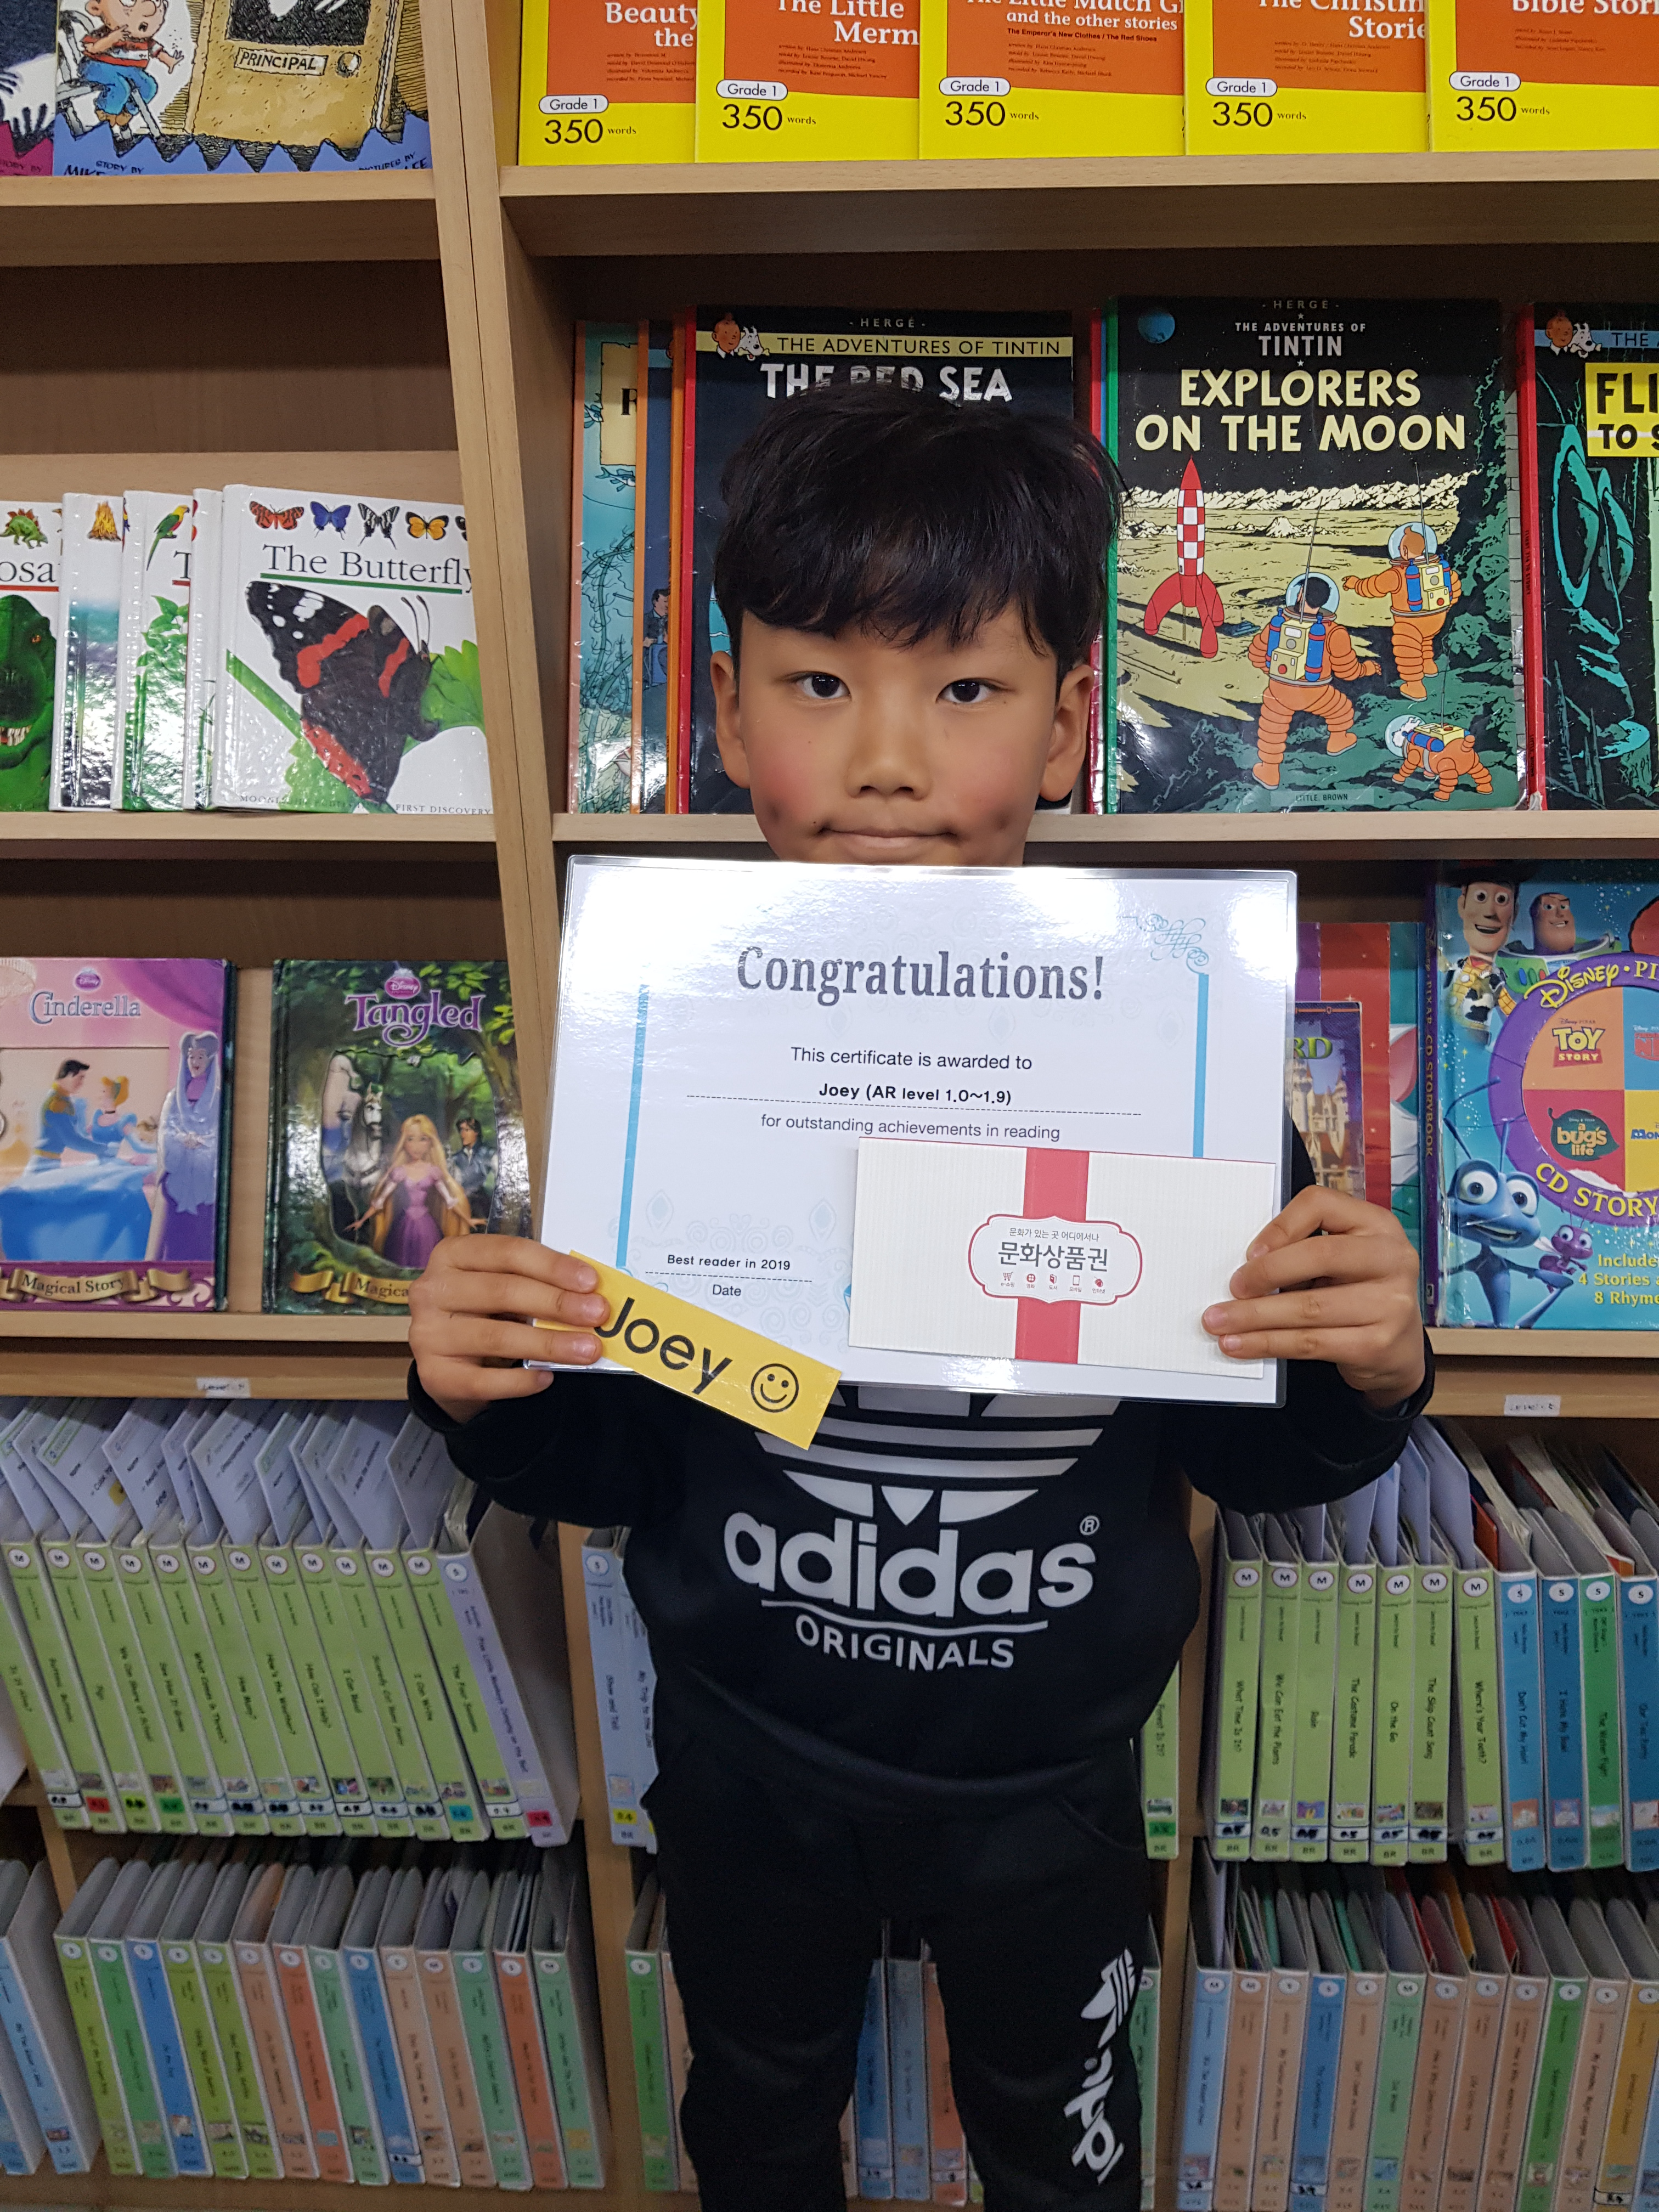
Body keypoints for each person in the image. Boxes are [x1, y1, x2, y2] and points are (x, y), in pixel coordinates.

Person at [407, 386, 1429, 2212]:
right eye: (817, 682)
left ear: (1067, 726)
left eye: (963, 687)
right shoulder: (667, 1060)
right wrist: (490, 1392)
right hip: (745, 1752)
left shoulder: (1167, 1056)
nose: (885, 757)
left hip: (1049, 1774)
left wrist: (1368, 1367)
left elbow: (1250, 1463)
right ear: (729, 717)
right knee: (756, 2104)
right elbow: (621, 1462)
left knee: (1056, 2124)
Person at [354, 1113, 473, 1268]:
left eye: (423, 1139)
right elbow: (380, 1201)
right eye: (410, 1139)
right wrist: (362, 1221)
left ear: (430, 1143)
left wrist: (468, 1220)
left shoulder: (433, 1171)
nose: (416, 1146)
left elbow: (450, 1201)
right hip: (404, 1223)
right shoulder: (400, 1172)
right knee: (400, 1258)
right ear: (404, 1143)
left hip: (426, 1225)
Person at [149, 1030, 220, 1262]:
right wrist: (182, 1140)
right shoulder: (173, 1098)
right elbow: (166, 1132)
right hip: (178, 1177)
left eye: (200, 1057)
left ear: (210, 1059)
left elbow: (218, 1132)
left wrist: (201, 1143)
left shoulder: (219, 1099)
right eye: (191, 1056)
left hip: (205, 1180)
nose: (195, 1062)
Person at [446, 1115, 495, 1226]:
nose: (463, 1134)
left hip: (481, 1203)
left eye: (467, 1130)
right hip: (461, 1204)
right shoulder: (455, 1159)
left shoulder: (488, 1153)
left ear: (476, 1132)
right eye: (461, 1130)